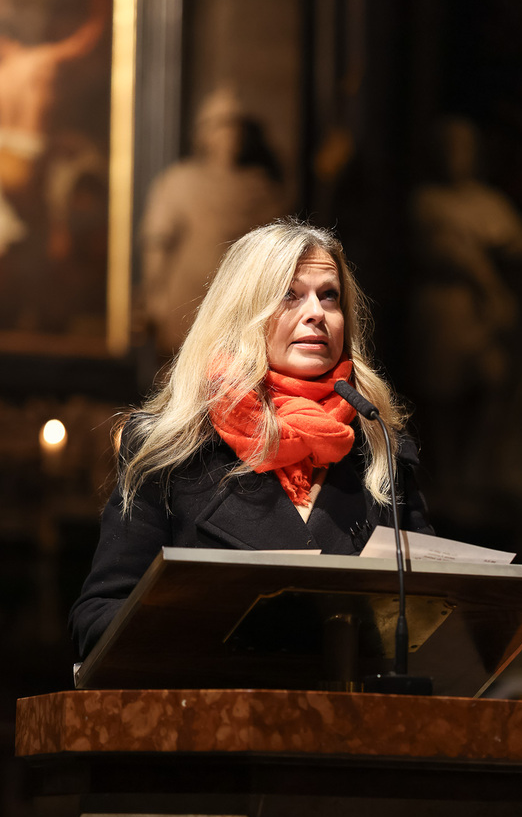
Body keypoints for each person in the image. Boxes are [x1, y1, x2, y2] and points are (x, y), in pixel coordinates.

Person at [70, 219, 433, 659]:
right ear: (244, 313)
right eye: (290, 295)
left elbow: (436, 611)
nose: (316, 312)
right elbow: (99, 619)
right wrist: (216, 627)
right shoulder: (170, 450)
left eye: (329, 296)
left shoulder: (379, 448)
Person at [139, 87, 287, 355]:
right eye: (221, 124)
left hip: (239, 309)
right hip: (184, 305)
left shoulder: (260, 189)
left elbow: (276, 257)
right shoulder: (179, 182)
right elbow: (157, 245)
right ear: (203, 132)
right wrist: (155, 297)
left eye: (235, 124)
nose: (230, 133)